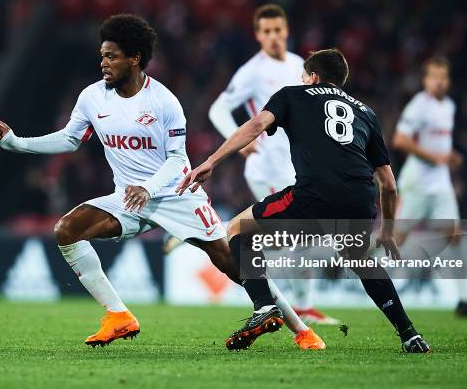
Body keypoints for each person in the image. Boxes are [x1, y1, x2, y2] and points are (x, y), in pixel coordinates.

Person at [0, 14, 324, 350]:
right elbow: (70, 139)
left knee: (233, 264)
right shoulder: (92, 97)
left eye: (111, 56)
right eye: (102, 55)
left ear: (134, 58)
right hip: (128, 198)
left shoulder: (164, 102)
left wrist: (148, 187)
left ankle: (302, 331)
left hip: (175, 194)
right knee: (66, 230)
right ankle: (118, 316)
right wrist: (17, 142)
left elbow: (178, 159)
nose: (103, 63)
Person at [178, 48, 431, 353]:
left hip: (315, 193)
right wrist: (388, 231)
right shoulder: (366, 112)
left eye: (303, 76)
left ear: (312, 77)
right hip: (361, 198)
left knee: (237, 230)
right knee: (359, 259)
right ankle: (409, 334)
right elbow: (389, 185)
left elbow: (256, 126)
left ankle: (263, 308)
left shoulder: (294, 95)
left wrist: (212, 161)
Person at [207, 3, 337, 325]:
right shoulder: (252, 71)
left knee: (304, 238)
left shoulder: (299, 65)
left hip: (296, 167)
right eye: (267, 32)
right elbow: (217, 110)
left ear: (287, 30)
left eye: (278, 30)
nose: (273, 37)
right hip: (265, 166)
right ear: (257, 36)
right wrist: (240, 143)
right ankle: (218, 238)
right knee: (299, 235)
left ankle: (303, 307)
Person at [392, 57, 467, 317]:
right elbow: (400, 140)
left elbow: (437, 145)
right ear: (425, 80)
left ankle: (465, 301)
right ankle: (372, 280)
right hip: (417, 183)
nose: (439, 82)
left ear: (449, 80)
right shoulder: (419, 105)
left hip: (440, 183)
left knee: (454, 235)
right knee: (397, 238)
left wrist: (449, 155)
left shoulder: (449, 106)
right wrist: (435, 158)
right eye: (434, 77)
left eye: (443, 77)